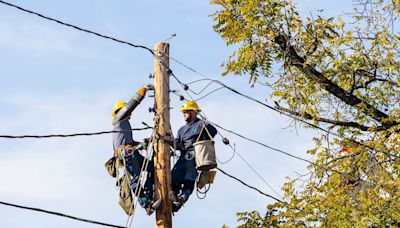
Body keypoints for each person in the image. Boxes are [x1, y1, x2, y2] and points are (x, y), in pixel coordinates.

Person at [112, 85, 160, 215]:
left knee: (153, 167)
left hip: (133, 153)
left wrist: (143, 143)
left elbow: (130, 143)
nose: (129, 113)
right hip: (126, 156)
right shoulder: (118, 120)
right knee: (135, 180)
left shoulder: (125, 125)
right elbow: (130, 106)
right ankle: (146, 204)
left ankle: (149, 196)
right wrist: (142, 91)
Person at [169, 100, 217, 212]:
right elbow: (178, 145)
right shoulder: (181, 130)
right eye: (183, 112)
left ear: (194, 112)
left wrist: (207, 126)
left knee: (189, 179)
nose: (184, 114)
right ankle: (175, 199)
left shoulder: (200, 124)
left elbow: (213, 132)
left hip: (196, 155)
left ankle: (182, 198)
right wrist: (169, 141)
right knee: (173, 177)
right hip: (183, 156)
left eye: (186, 111)